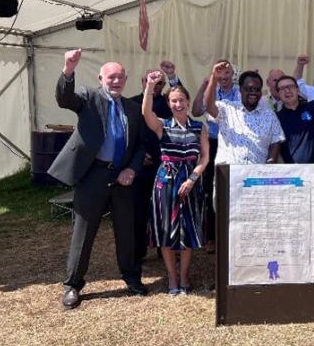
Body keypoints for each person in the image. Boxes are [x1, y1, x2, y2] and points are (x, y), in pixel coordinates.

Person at [49, 49, 147, 309]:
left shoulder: (134, 109)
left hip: (122, 177)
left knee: (126, 231)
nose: (116, 81)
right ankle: (72, 285)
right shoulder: (88, 97)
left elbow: (140, 146)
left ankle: (131, 277)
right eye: (110, 77)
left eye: (120, 77)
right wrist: (68, 69)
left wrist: (132, 170)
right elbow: (64, 98)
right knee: (84, 232)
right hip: (92, 174)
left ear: (125, 79)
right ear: (101, 78)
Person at [141, 72, 209, 295]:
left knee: (188, 230)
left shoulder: (199, 127)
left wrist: (193, 179)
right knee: (166, 230)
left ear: (188, 102)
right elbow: (145, 112)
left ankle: (184, 276)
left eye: (181, 100)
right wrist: (150, 87)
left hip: (190, 183)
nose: (178, 104)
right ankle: (172, 277)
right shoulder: (162, 125)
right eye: (173, 101)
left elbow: (205, 158)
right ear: (169, 104)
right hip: (166, 183)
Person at [129, 61, 181, 266]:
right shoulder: (131, 103)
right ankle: (139, 249)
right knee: (139, 210)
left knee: (164, 210)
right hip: (139, 165)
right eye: (151, 81)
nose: (156, 86)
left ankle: (164, 247)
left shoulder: (169, 104)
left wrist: (172, 76)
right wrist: (136, 155)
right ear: (143, 82)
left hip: (163, 165)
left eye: (160, 84)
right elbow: (127, 134)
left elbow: (179, 97)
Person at [192, 59, 239, 252]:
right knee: (210, 189)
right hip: (212, 142)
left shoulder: (239, 92)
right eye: (220, 73)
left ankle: (234, 234)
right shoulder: (211, 88)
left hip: (234, 143)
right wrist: (205, 85)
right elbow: (195, 111)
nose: (224, 77)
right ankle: (211, 236)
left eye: (227, 73)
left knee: (234, 187)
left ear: (233, 75)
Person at [204, 63, 284, 165]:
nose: (253, 92)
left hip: (255, 175)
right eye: (249, 89)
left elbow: (276, 140)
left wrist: (270, 163)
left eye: (257, 89)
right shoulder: (227, 108)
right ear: (240, 90)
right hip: (228, 173)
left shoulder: (269, 115)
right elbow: (208, 106)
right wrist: (214, 78)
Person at [275, 75, 314, 164]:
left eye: (291, 87)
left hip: (312, 170)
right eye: (282, 88)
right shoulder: (276, 118)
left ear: (298, 90)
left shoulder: (311, 107)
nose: (287, 91)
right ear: (278, 94)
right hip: (290, 172)